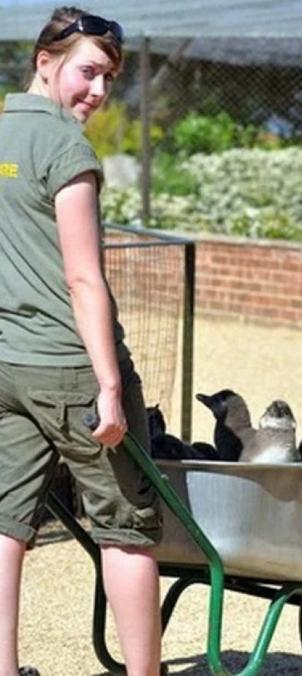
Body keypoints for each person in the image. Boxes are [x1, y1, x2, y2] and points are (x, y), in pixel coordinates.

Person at [0, 7, 164, 676]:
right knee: (127, 528)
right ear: (45, 61)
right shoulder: (67, 149)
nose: (98, 92)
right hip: (69, 367)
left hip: (7, 365)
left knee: (7, 523)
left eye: (109, 79)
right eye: (88, 72)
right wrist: (110, 388)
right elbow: (83, 277)